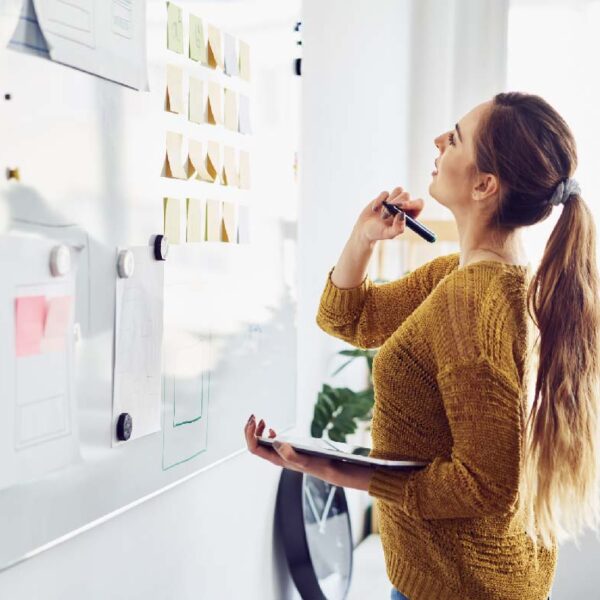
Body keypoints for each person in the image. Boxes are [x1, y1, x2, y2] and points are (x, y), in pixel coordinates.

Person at [244, 92, 600, 600]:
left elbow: (485, 486)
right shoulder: (472, 279)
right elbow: (350, 318)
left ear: (485, 184)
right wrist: (365, 237)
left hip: (458, 588)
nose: (438, 140)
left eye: (454, 137)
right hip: (471, 581)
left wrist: (332, 467)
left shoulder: (471, 303)